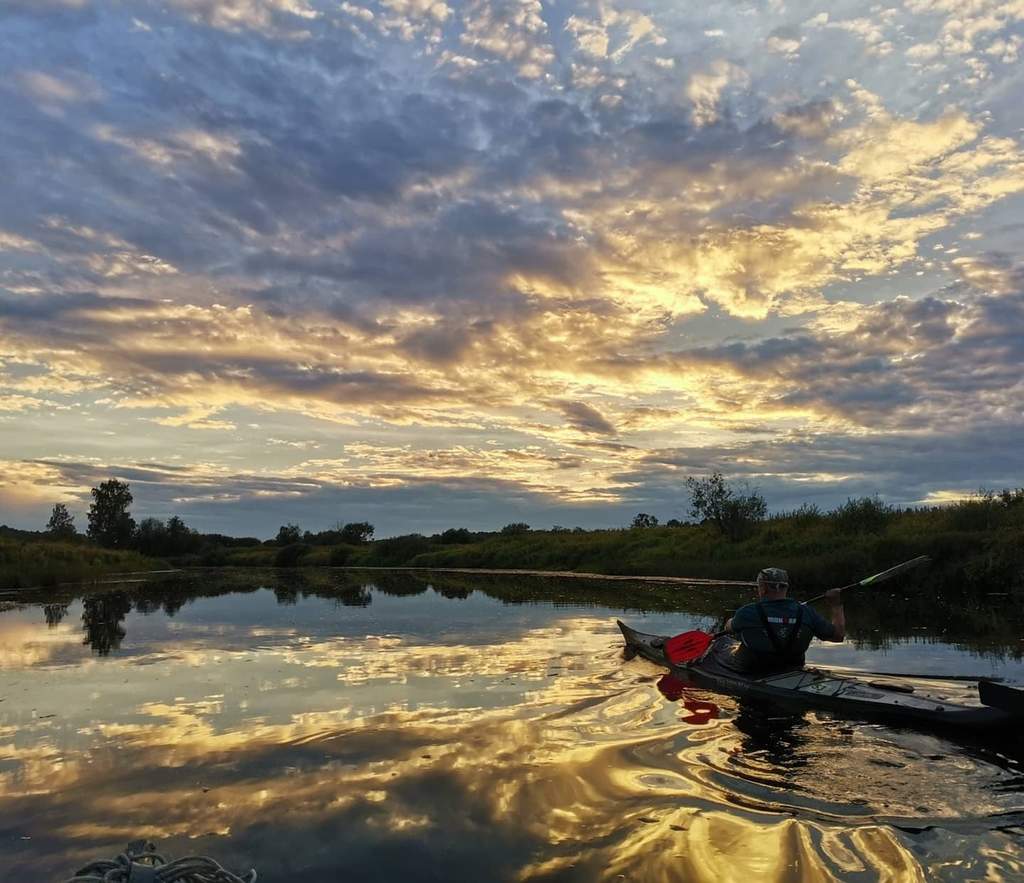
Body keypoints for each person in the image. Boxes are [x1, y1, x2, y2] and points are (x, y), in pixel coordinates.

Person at [717, 567, 845, 674]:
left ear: (763, 588)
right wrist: (836, 605)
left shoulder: (747, 612)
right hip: (792, 670)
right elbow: (838, 636)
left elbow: (729, 628)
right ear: (785, 588)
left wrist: (731, 622)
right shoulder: (806, 612)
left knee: (719, 650)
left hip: (752, 671)